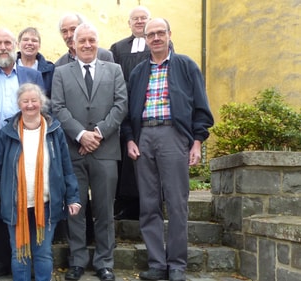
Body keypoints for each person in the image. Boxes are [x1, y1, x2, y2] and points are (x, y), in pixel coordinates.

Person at [121, 18, 214, 281]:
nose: (156, 38)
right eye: (151, 34)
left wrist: (196, 141)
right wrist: (130, 139)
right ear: (146, 39)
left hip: (174, 135)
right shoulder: (139, 72)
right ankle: (157, 264)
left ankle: (176, 266)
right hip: (144, 138)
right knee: (148, 204)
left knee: (176, 203)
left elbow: (201, 108)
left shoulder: (186, 66)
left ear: (170, 34)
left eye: (161, 33)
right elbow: (127, 113)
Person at [51, 22, 127, 281]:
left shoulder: (114, 70)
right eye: (81, 40)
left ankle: (105, 262)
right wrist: (81, 135)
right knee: (76, 208)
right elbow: (58, 108)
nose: (86, 45)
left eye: (91, 40)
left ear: (97, 42)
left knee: (105, 209)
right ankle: (77, 260)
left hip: (105, 150)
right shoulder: (61, 72)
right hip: (74, 151)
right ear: (73, 42)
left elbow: (120, 105)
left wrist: (97, 133)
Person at [0, 83, 81, 281]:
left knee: (43, 252)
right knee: (20, 252)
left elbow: (66, 168)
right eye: (25, 101)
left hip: (46, 204)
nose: (29, 105)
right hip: (15, 203)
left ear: (41, 103)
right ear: (19, 104)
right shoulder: (7, 132)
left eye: (34, 101)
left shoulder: (54, 131)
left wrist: (73, 198)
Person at [0, 28, 45, 279]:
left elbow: (42, 108)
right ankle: (0, 261)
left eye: (7, 42)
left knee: (28, 201)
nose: (3, 47)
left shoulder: (32, 75)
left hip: (27, 146)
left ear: (14, 45)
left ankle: (32, 257)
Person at [109, 6, 151, 221]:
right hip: (124, 108)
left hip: (148, 109)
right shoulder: (117, 48)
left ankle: (148, 205)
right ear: (129, 23)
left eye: (143, 18)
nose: (139, 22)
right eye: (135, 19)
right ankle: (125, 205)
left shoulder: (157, 43)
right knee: (124, 159)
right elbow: (112, 75)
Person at [16, 27, 55, 97]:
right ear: (18, 44)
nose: (30, 43)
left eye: (34, 41)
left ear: (39, 46)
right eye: (25, 40)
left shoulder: (50, 70)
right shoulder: (8, 68)